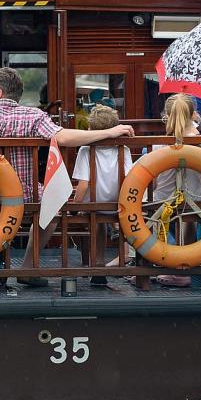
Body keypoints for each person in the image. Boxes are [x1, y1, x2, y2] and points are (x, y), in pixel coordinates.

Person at [0, 67, 134, 286]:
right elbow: (63, 137)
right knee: (54, 204)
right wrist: (110, 132)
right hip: (26, 196)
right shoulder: (34, 115)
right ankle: (28, 267)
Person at [71, 105, 134, 284]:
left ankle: (98, 264)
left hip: (94, 205)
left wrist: (76, 206)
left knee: (97, 224)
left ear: (90, 129)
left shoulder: (85, 150)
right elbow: (129, 178)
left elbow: (83, 185)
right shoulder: (124, 149)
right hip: (119, 203)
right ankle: (124, 257)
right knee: (117, 224)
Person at [151, 93, 201, 287]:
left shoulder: (160, 144)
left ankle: (151, 266)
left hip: (162, 200)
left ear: (166, 115)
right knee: (187, 219)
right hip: (195, 198)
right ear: (193, 114)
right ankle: (185, 268)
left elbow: (154, 180)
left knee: (144, 215)